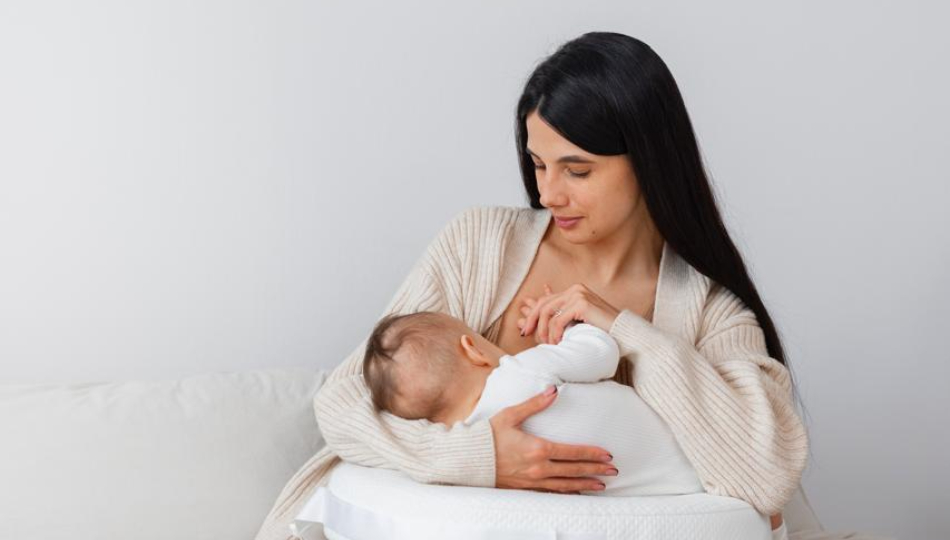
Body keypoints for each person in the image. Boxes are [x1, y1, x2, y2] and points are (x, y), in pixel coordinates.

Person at [255, 31, 808, 540]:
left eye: (577, 170)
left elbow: (764, 474)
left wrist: (621, 328)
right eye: (537, 164)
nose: (547, 193)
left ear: (649, 160)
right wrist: (478, 456)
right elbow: (343, 400)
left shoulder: (710, 311)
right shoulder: (479, 246)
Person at [360, 310, 705, 497]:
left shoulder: (472, 450)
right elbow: (603, 352)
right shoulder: (522, 372)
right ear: (472, 349)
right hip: (694, 453)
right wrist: (568, 328)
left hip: (654, 491)